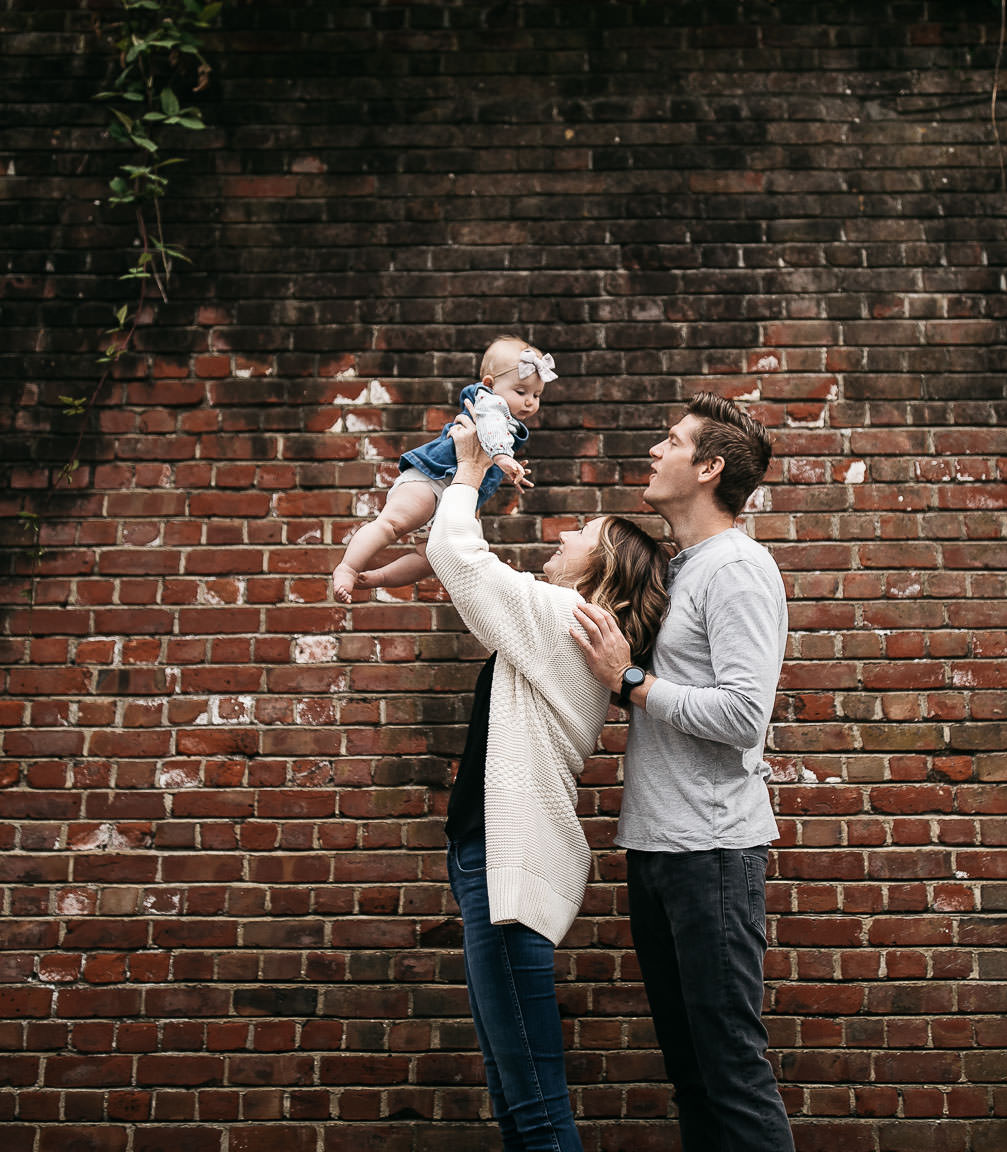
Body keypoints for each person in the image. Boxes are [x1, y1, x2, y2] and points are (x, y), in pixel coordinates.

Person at [426, 406, 671, 1152]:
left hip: (510, 875)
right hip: (497, 867)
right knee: (516, 1098)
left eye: (581, 535)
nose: (562, 536)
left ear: (601, 570)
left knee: (532, 1107)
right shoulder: (569, 625)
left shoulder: (571, 617)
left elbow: (457, 558)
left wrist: (469, 468)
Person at [569, 392, 793, 1151]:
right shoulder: (684, 567)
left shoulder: (738, 568)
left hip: (713, 855)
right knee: (693, 1076)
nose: (655, 450)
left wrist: (628, 680)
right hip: (662, 849)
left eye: (671, 441)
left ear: (708, 467)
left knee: (730, 1073)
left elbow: (742, 717)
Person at [332, 334, 556, 603]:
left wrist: (507, 469)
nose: (530, 401)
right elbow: (489, 428)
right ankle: (348, 567)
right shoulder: (487, 401)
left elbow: (485, 450)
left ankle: (378, 578)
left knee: (429, 559)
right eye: (521, 392)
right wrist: (502, 457)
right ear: (489, 384)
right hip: (431, 480)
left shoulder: (508, 421)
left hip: (448, 500)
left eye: (536, 394)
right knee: (391, 526)